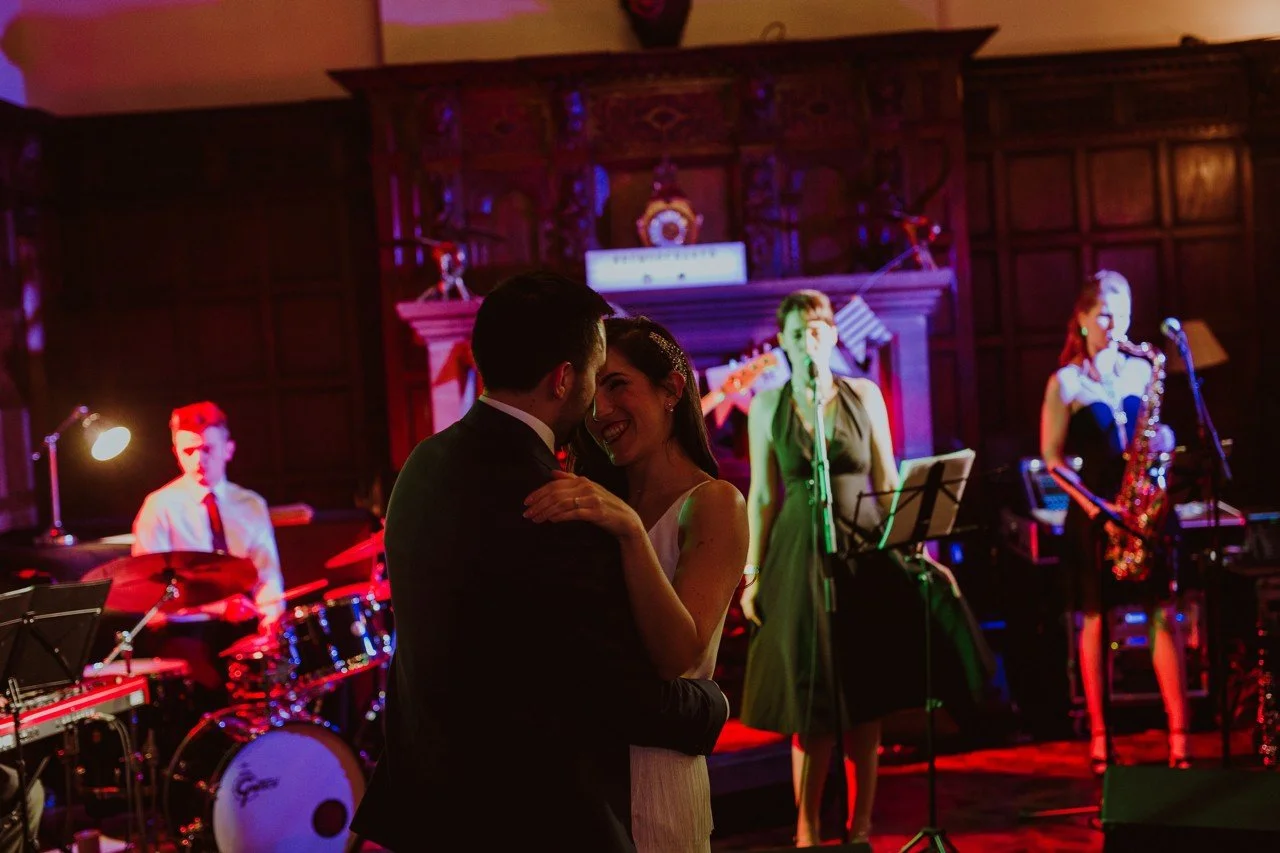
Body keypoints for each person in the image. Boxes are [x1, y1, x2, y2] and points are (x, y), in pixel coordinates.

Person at [351, 272, 729, 852]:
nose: (597, 405)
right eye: (596, 377)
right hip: (528, 812)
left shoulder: (423, 464)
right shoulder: (555, 501)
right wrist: (711, 706)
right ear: (562, 379)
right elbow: (610, 687)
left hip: (431, 805)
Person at [524, 317, 749, 852]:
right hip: (581, 775)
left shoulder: (714, 503)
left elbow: (676, 654)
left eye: (617, 385)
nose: (600, 411)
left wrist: (629, 531)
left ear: (671, 390)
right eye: (592, 392)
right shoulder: (593, 498)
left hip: (658, 769)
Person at [1040, 270, 1189, 774]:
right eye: (1105, 314)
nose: (1115, 324)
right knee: (1095, 619)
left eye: (1122, 314)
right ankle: (1101, 738)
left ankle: (1179, 735)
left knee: (1164, 613)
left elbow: (1159, 433)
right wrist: (1096, 509)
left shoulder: (1142, 370)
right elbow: (1053, 459)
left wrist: (1166, 439)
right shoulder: (1065, 382)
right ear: (1082, 319)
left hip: (1143, 513)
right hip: (1097, 514)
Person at [130, 401, 285, 691]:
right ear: (176, 452)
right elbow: (152, 594)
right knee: (205, 683)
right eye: (189, 451)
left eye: (208, 449)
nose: (199, 459)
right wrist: (220, 608)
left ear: (228, 449)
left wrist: (271, 619)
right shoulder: (159, 506)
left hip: (243, 624)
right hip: (186, 629)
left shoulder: (250, 504)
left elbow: (268, 575)